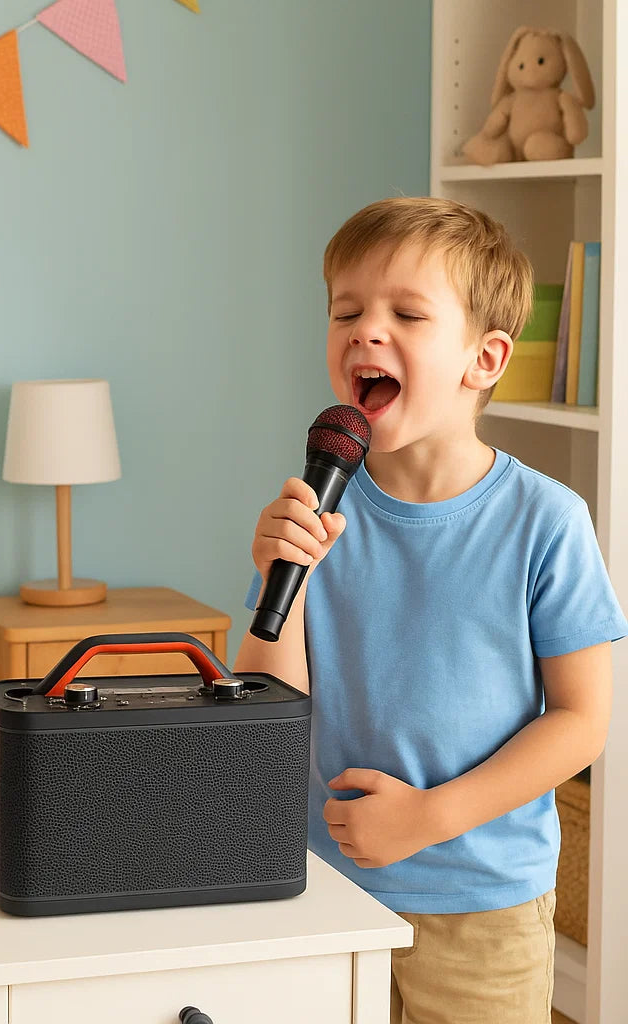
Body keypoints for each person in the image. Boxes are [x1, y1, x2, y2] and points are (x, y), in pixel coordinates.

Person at [235, 196, 627, 1023]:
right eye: (347, 310)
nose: (366, 330)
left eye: (406, 313)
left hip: (485, 906)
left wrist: (427, 818)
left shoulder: (546, 520)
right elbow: (266, 708)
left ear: (483, 359)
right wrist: (281, 573)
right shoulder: (316, 510)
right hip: (325, 888)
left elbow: (584, 720)